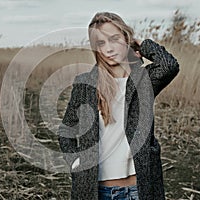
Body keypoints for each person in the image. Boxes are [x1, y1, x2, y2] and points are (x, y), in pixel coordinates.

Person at [58, 11, 179, 200]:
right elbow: (66, 131)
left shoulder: (143, 81)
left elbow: (169, 65)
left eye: (114, 39)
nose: (108, 49)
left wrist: (141, 45)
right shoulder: (85, 84)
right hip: (99, 191)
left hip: (140, 187)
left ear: (126, 38)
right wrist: (76, 162)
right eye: (101, 43)